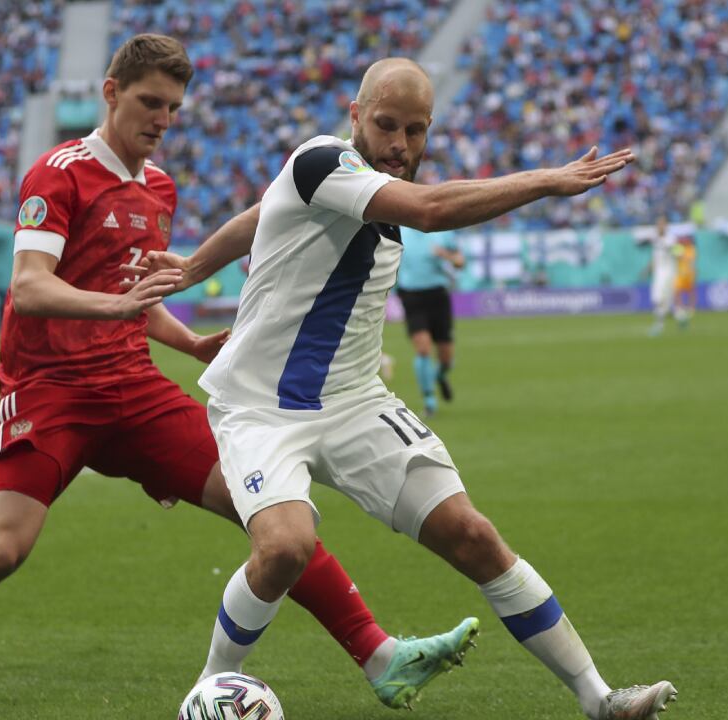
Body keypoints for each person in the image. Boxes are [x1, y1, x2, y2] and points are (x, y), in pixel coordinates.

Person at [0, 36, 473, 720]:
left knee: (277, 520)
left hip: (133, 390)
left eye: (174, 108)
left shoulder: (158, 187)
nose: (162, 119)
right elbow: (31, 287)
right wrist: (117, 308)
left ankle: (380, 657)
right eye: (149, 102)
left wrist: (187, 342)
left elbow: (137, 292)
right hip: (51, 391)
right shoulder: (58, 173)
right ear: (111, 92)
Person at [136, 57, 676, 720]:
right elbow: (431, 209)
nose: (400, 144)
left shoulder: (359, 187)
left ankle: (602, 701)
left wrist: (194, 264)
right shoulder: (321, 162)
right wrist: (546, 180)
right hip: (261, 408)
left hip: (357, 405)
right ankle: (210, 690)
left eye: (415, 131)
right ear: (356, 115)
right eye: (386, 125)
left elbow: (257, 214)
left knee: (473, 536)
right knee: (284, 546)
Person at [396, 226, 464, 416]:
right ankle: (429, 400)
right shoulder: (399, 230)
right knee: (423, 348)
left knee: (446, 357)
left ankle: (440, 375)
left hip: (438, 295)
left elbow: (460, 262)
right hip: (411, 296)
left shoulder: (442, 231)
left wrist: (445, 255)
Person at [647, 215, 678, 337]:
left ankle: (660, 325)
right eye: (658, 224)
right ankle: (678, 317)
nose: (659, 226)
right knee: (657, 298)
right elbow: (655, 257)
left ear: (666, 226)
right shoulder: (656, 239)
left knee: (661, 298)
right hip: (658, 272)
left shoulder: (670, 239)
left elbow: (675, 251)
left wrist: (671, 249)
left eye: (662, 224)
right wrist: (648, 269)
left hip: (668, 271)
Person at [673, 236, 697, 329]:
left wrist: (681, 255)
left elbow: (690, 259)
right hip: (680, 273)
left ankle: (691, 308)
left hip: (689, 273)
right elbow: (675, 255)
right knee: (677, 290)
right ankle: (679, 308)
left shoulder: (692, 249)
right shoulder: (680, 248)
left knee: (691, 291)